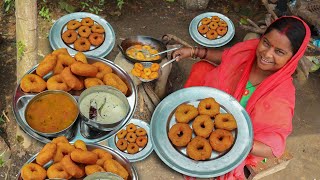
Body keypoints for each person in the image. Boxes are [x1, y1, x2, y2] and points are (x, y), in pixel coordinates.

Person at [172, 16, 310, 179]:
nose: (266, 54)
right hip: (211, 112)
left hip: (237, 137)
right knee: (201, 68)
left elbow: (273, 149)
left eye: (279, 52)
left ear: (292, 58)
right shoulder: (248, 51)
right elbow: (227, 56)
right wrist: (194, 51)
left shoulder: (281, 96)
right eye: (266, 42)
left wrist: (238, 142)